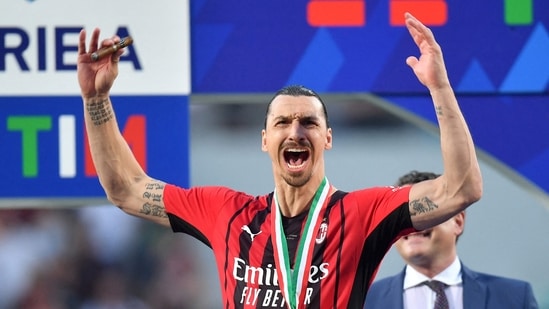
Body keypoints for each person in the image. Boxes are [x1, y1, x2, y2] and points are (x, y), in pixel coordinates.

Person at [76, 12, 483, 308]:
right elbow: (126, 189)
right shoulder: (225, 212)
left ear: (327, 138)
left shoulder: (364, 212)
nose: (295, 131)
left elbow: (461, 188)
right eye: (283, 122)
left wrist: (439, 87)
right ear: (265, 139)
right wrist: (96, 100)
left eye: (308, 122)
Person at [364, 170, 539, 309]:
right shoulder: (362, 300)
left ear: (458, 221)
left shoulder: (514, 297)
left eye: (423, 212)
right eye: (402, 216)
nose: (412, 225)